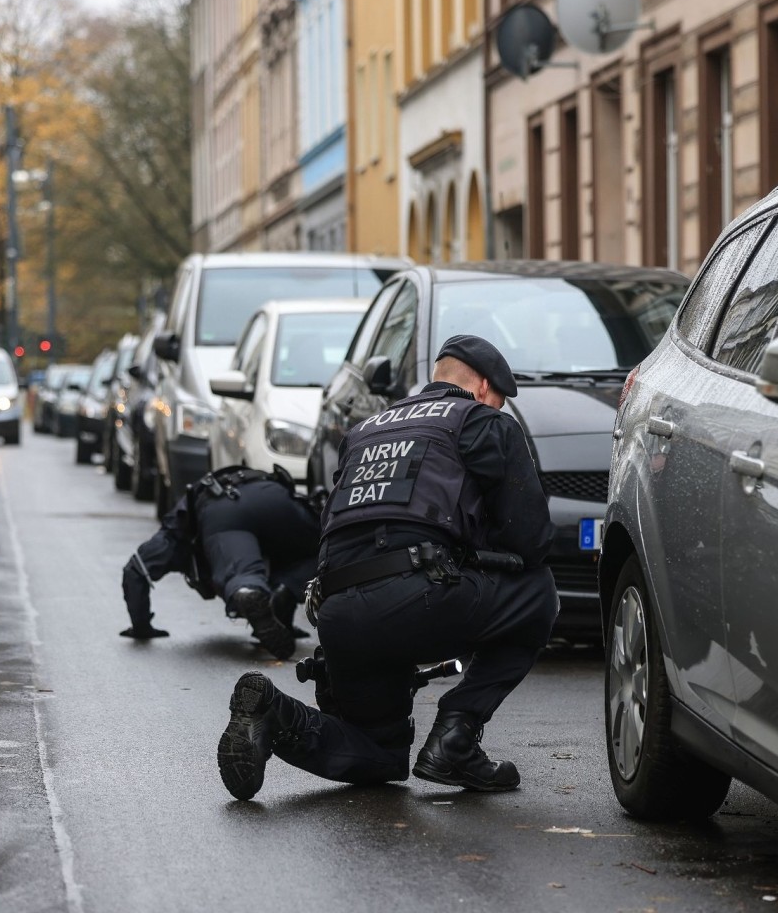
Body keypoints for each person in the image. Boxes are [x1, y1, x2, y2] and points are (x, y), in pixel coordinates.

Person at [217, 335, 558, 800]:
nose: (498, 408)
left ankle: (274, 714)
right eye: (499, 399)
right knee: (537, 592)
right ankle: (456, 735)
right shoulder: (481, 423)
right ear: (481, 387)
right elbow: (532, 539)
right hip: (419, 597)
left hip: (338, 614)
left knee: (380, 754)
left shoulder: (366, 429)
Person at [121, 465, 320, 660]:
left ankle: (248, 590)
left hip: (223, 507)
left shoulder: (177, 527)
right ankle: (285, 592)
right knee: (326, 549)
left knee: (242, 574)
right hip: (276, 495)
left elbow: (136, 570)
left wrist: (141, 627)